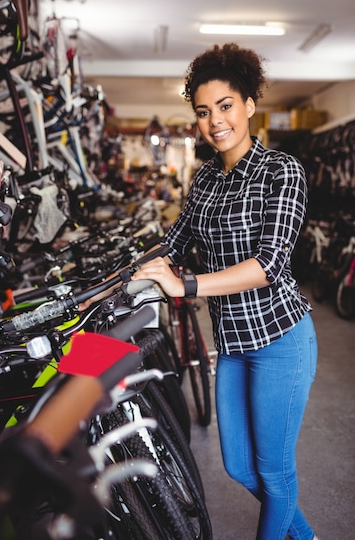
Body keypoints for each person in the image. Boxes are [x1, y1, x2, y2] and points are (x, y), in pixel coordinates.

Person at [131, 42, 319, 540]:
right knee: (239, 467)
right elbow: (173, 243)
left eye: (225, 106)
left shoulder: (282, 172)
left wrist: (187, 283)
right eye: (202, 111)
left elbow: (270, 265)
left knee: (275, 473)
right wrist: (123, 277)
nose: (215, 121)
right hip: (234, 344)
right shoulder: (206, 180)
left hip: (282, 340)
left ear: (249, 104)